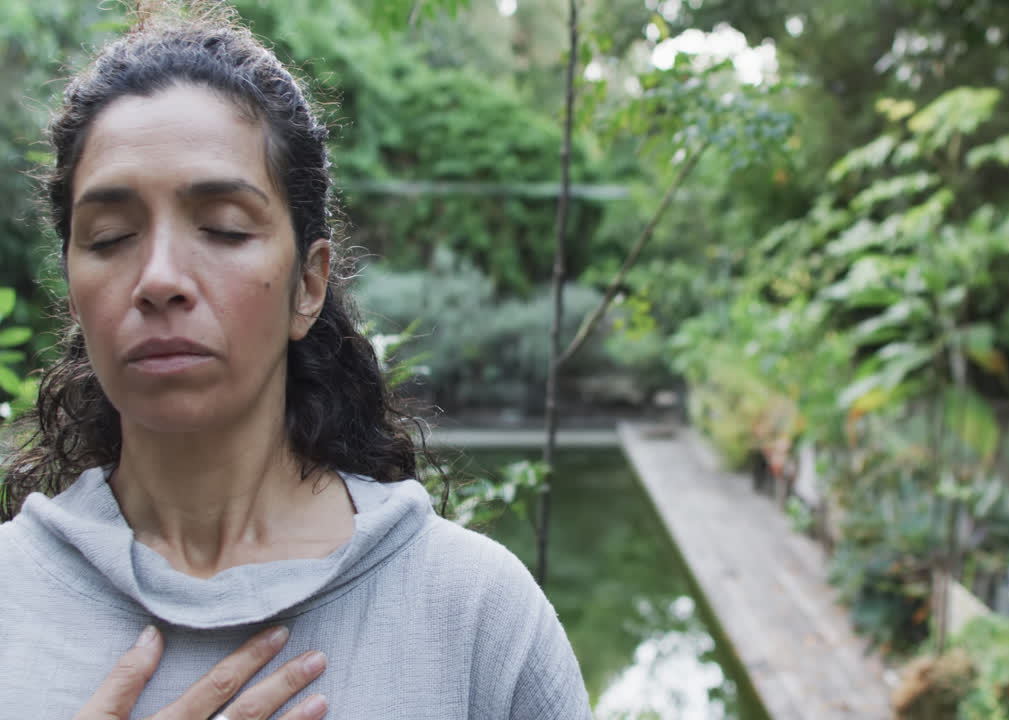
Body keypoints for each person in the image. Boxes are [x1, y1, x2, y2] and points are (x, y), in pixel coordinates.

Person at [0, 2, 592, 718]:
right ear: (71, 286)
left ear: (308, 285)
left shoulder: (472, 615)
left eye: (222, 229)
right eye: (110, 236)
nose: (158, 278)